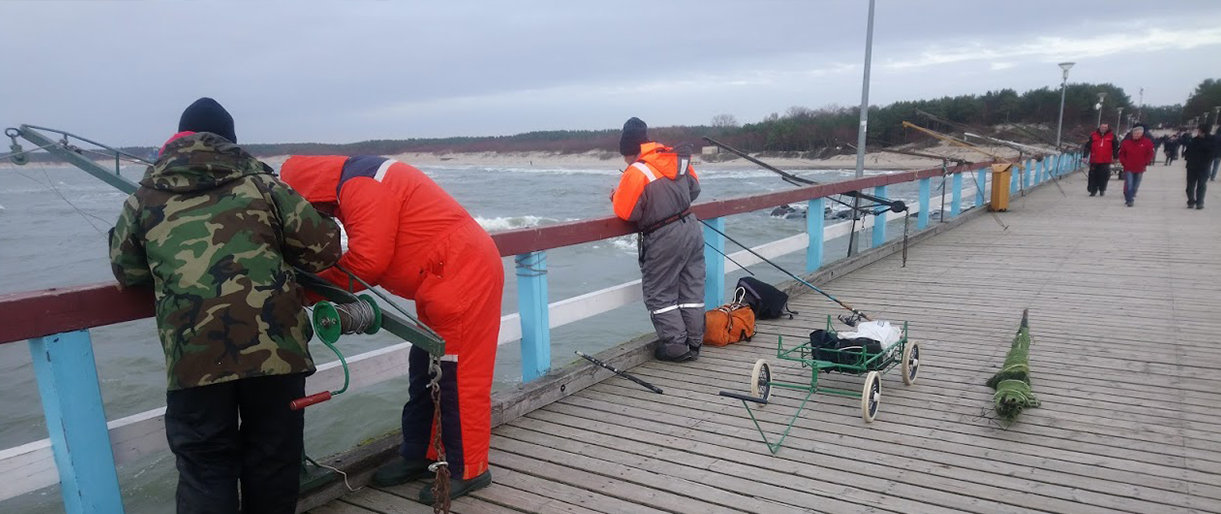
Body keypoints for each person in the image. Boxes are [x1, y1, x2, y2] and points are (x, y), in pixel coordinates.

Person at [108, 98, 342, 514]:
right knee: (273, 461)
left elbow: (128, 272)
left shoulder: (144, 196)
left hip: (195, 360)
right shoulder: (264, 185)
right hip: (274, 354)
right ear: (231, 142)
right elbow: (323, 250)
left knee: (205, 469)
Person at [278, 154, 503, 503]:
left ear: (307, 191)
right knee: (424, 371)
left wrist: (306, 289)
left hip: (463, 274)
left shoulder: (361, 186)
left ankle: (469, 470)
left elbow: (368, 260)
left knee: (458, 378)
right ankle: (418, 454)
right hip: (441, 279)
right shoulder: (357, 182)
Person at [610, 117, 705, 362]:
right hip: (691, 228)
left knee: (659, 293)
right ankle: (694, 343)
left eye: (624, 157)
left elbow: (627, 212)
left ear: (628, 151)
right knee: (691, 288)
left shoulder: (637, 170)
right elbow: (694, 190)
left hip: (663, 235)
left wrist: (615, 196)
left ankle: (676, 347)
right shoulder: (675, 158)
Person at [1117, 124, 1155, 207]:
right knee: (1129, 183)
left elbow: (1150, 153)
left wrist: (1146, 162)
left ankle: (1131, 194)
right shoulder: (1126, 143)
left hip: (1140, 167)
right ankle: (1130, 200)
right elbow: (1121, 154)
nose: (1136, 135)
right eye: (1135, 133)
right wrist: (1124, 162)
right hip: (1128, 167)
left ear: (1142, 134)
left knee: (1136, 184)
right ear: (1132, 134)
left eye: (1138, 133)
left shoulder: (1147, 142)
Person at [1184, 124, 1217, 209]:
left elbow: (1212, 154)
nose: (1197, 132)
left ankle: (1200, 202)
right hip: (1191, 166)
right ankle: (1191, 201)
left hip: (1204, 167)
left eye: (1199, 130)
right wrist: (1187, 158)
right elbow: (1188, 151)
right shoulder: (1194, 140)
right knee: (1190, 186)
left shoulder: (1212, 141)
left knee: (1201, 185)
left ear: (1203, 131)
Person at [1082, 122, 1119, 196]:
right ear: (1099, 127)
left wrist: (1115, 157)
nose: (1103, 129)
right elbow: (1087, 147)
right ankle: (1093, 190)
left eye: (1105, 127)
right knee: (1093, 175)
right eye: (1102, 127)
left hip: (1105, 160)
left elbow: (1115, 148)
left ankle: (1102, 189)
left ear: (1108, 128)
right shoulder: (1093, 135)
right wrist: (1085, 156)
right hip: (1094, 159)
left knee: (1104, 175)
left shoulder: (1112, 136)